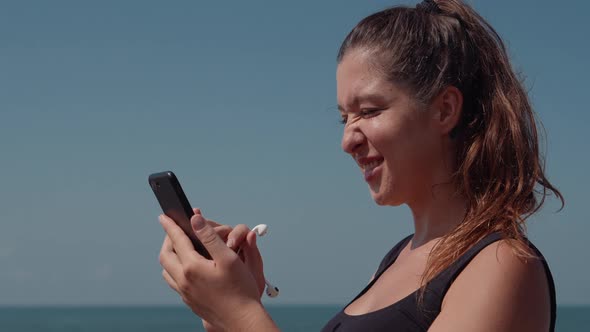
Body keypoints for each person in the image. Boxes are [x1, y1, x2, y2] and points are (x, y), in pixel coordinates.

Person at [157, 0, 564, 331]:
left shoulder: (504, 266)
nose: (347, 140)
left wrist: (242, 314)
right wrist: (224, 315)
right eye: (343, 118)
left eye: (369, 111)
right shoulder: (395, 260)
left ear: (444, 110)